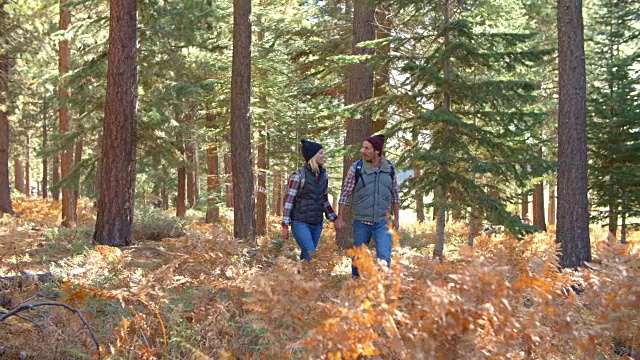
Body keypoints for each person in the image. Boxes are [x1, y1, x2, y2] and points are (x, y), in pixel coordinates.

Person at [334, 134, 400, 278]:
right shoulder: (356, 168)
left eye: (367, 148)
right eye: (363, 148)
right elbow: (345, 193)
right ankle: (356, 284)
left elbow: (395, 194)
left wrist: (396, 219)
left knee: (384, 257)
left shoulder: (390, 168)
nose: (363, 151)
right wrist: (340, 218)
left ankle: (380, 289)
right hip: (362, 222)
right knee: (358, 259)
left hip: (383, 222)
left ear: (377, 151)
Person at [281, 139, 338, 262]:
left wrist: (334, 218)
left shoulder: (324, 175)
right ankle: (311, 279)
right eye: (321, 153)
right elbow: (289, 202)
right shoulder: (298, 176)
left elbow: (324, 199)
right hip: (300, 222)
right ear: (312, 156)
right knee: (311, 254)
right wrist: (285, 226)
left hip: (317, 223)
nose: (324, 156)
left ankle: (302, 280)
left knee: (306, 256)